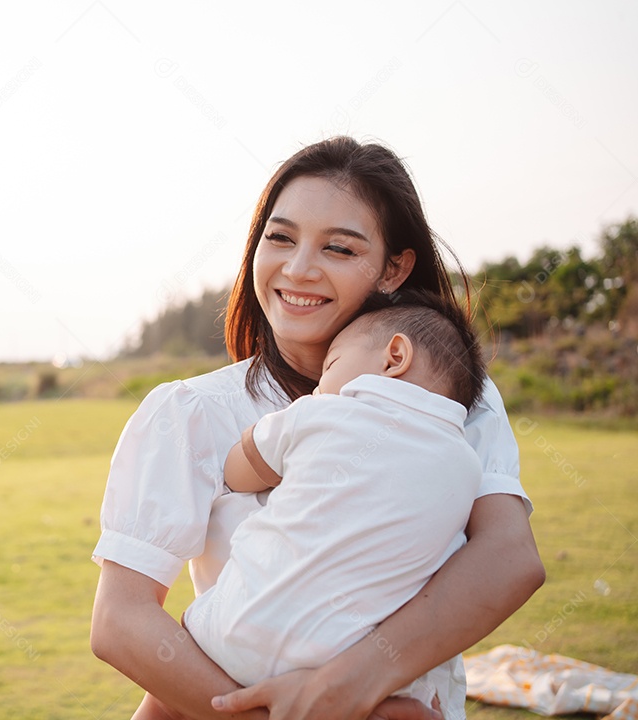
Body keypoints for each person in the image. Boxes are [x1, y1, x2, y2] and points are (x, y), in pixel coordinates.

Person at [90, 136, 545, 720]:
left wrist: (353, 683)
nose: (298, 269)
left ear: (394, 268)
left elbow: (509, 557)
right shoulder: (190, 413)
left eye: (339, 248)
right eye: (279, 238)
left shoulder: (452, 403)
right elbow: (121, 620)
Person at [183, 290, 488, 720]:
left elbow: (239, 470)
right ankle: (401, 708)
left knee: (168, 676)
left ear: (394, 356)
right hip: (352, 661)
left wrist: (262, 441)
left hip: (239, 632)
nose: (321, 383)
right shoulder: (467, 467)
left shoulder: (322, 413)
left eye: (331, 365)